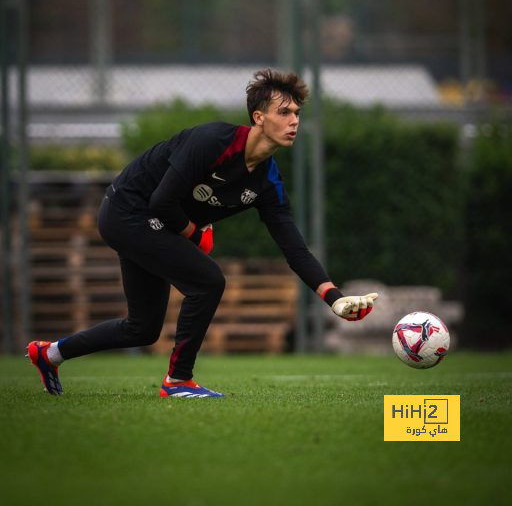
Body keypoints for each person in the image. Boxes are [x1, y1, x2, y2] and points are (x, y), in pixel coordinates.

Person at [27, 69, 379, 398]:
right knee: (209, 280)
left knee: (143, 329)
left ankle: (50, 354)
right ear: (258, 117)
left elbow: (294, 249)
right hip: (128, 210)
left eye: (297, 114)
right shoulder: (212, 141)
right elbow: (162, 200)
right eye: (284, 112)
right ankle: (178, 380)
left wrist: (335, 298)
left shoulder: (268, 182)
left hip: (155, 222)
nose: (294, 121)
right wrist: (195, 233)